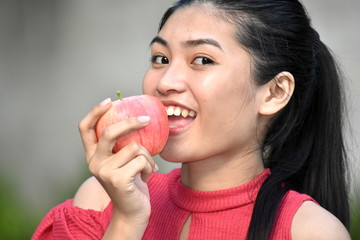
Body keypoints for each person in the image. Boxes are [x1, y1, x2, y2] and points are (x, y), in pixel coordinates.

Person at [32, 0, 351, 239]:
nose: (166, 81)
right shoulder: (100, 199)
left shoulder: (308, 230)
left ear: (274, 92)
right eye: (161, 58)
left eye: (202, 60)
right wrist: (127, 222)